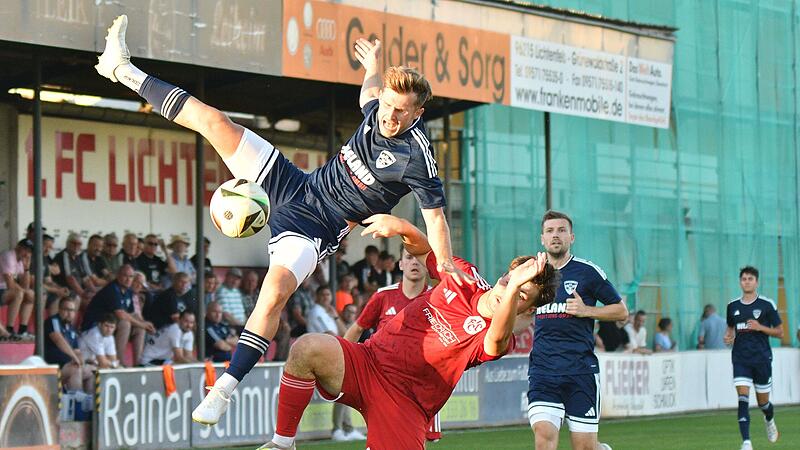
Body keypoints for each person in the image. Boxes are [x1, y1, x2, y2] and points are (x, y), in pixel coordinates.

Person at [97, 15, 469, 424]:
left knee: (273, 293)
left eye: (402, 112)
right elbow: (368, 94)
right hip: (294, 184)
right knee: (214, 121)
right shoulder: (375, 109)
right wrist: (372, 67)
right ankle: (120, 68)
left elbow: (436, 220)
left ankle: (224, 388)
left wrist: (448, 270)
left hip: (319, 227)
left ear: (417, 114)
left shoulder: (417, 156)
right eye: (388, 106)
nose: (390, 118)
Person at [258, 214, 556, 449]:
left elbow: (497, 338)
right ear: (502, 275)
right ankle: (283, 444)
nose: (509, 290)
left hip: (405, 404)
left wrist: (518, 283)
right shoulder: (464, 278)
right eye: (509, 281)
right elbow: (426, 251)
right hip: (368, 362)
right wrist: (402, 227)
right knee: (307, 347)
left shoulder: (500, 336)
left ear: (526, 310)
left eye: (520, 294)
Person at [528, 210, 627, 450]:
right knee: (544, 434)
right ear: (542, 238)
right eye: (550, 231)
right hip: (543, 370)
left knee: (584, 447)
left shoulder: (588, 272)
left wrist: (587, 311)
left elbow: (621, 312)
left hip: (580, 371)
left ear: (571, 237)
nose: (555, 235)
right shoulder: (532, 274)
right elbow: (523, 316)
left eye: (561, 230)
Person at [343, 248, 443, 442]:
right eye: (409, 257)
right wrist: (343, 361)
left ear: (429, 266)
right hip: (382, 380)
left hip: (421, 383)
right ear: (400, 264)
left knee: (418, 438)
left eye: (420, 259)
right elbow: (356, 329)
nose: (414, 263)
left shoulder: (438, 300)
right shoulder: (383, 296)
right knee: (381, 435)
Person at [724, 266, 782, 450]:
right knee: (742, 397)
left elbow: (780, 332)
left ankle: (769, 418)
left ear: (756, 282)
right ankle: (746, 442)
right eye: (744, 279)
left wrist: (760, 327)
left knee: (763, 402)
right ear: (740, 282)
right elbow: (730, 330)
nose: (747, 281)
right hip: (741, 359)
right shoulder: (732, 306)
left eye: (750, 279)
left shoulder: (767, 304)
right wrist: (728, 337)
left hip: (762, 359)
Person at [83, 265, 155, 366]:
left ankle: (138, 363)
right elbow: (120, 314)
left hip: (110, 326)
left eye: (130, 277)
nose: (128, 279)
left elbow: (132, 313)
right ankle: (119, 362)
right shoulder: (112, 289)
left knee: (140, 328)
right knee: (125, 323)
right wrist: (141, 324)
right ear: (118, 276)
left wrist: (144, 323)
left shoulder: (128, 291)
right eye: (125, 276)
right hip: (94, 326)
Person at [44, 297, 95, 392]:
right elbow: (58, 340)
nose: (69, 313)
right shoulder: (54, 321)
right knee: (75, 369)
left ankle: (87, 402)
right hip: (52, 367)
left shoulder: (71, 328)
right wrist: (74, 357)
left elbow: (77, 351)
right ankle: (76, 402)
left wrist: (82, 360)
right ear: (59, 309)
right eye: (66, 309)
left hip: (67, 365)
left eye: (72, 310)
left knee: (91, 370)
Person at [0, 241, 34, 340]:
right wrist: (24, 291)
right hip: (2, 289)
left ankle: (22, 330)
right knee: (19, 293)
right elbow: (10, 284)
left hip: (3, 290)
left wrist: (27, 268)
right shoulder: (9, 256)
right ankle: (9, 329)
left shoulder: (20, 260)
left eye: (29, 251)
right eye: (25, 249)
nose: (26, 253)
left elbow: (25, 286)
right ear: (17, 247)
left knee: (30, 294)